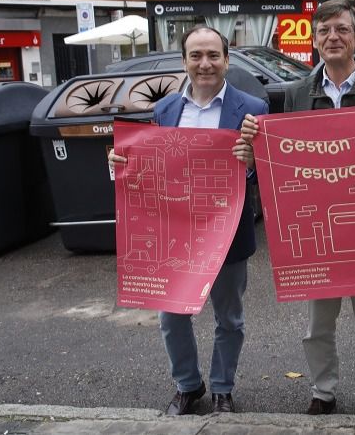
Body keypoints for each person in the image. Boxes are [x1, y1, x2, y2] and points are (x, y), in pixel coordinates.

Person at [243, 0, 355, 416]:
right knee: (317, 327)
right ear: (314, 41)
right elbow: (280, 163)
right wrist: (253, 144)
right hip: (316, 237)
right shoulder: (295, 94)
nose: (333, 37)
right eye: (325, 30)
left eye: (342, 30)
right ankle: (323, 391)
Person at [109, 25, 268, 415]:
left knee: (228, 318)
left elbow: (267, 173)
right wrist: (119, 165)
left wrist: (251, 165)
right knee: (171, 317)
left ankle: (222, 388)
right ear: (184, 62)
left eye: (213, 55)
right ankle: (187, 384)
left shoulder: (253, 108)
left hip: (227, 234)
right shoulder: (166, 109)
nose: (205, 63)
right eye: (196, 56)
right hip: (175, 233)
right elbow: (154, 165)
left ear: (227, 60)